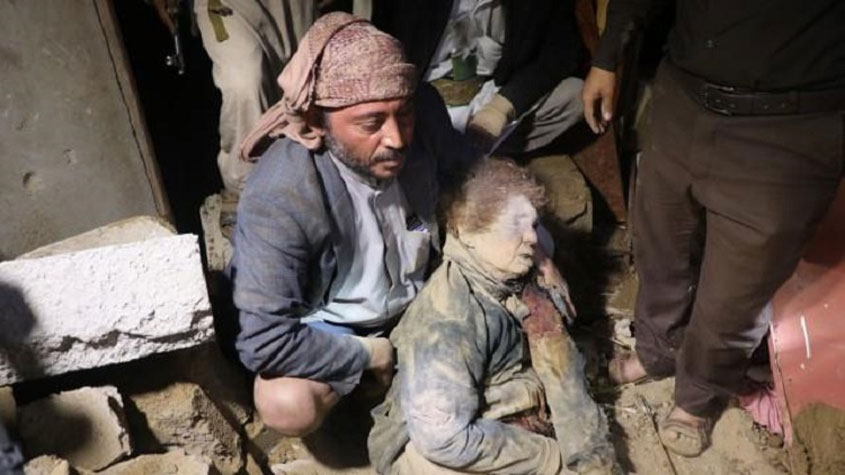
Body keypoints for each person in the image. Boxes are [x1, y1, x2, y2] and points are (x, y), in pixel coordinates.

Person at [582, 0, 845, 457]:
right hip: (682, 94)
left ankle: (699, 393)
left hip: (790, 124)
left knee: (738, 286)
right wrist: (607, 58)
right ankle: (657, 350)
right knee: (660, 242)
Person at [227, 12, 485, 437]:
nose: (396, 138)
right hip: (338, 324)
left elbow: (471, 171)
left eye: (403, 114)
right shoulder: (281, 195)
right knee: (286, 404)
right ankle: (364, 388)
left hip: (421, 293)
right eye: (371, 123)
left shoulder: (422, 113)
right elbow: (264, 340)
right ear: (317, 121)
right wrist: (366, 354)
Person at [368, 159, 619, 475]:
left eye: (533, 225)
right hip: (431, 442)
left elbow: (561, 372)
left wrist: (590, 458)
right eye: (515, 225)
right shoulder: (448, 323)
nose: (531, 238)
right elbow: (442, 440)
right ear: (468, 231)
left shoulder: (510, 272)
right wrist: (551, 458)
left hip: (494, 394)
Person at [372, 0, 585, 154]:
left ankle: (469, 154)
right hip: (419, 101)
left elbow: (560, 52)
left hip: (488, 98)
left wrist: (502, 107)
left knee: (576, 96)